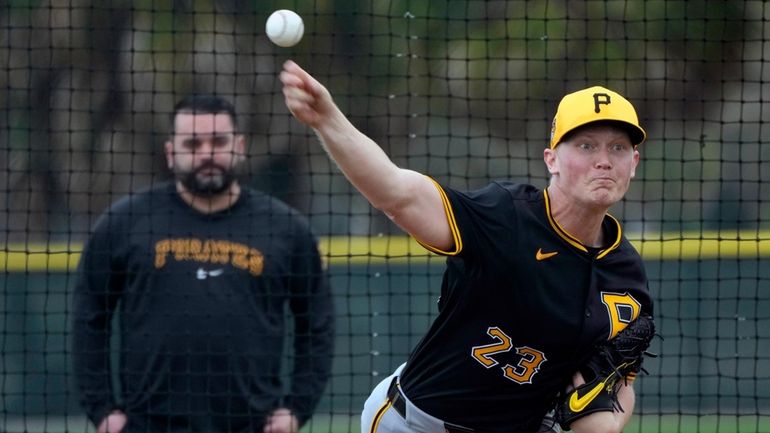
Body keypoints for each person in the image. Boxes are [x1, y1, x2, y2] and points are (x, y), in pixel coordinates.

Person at [279, 60, 653, 433]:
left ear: (633, 163)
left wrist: (612, 419)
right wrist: (327, 120)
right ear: (551, 159)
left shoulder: (627, 276)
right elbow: (398, 194)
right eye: (586, 145)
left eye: (618, 148)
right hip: (417, 424)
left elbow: (620, 380)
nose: (604, 161)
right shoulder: (505, 216)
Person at [72, 94, 335, 433]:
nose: (207, 153)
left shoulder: (286, 229)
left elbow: (317, 325)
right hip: (148, 426)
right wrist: (103, 411)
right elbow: (88, 319)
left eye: (219, 141)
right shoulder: (124, 223)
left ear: (239, 146)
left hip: (253, 426)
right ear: (171, 153)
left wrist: (296, 409)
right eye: (193, 143)